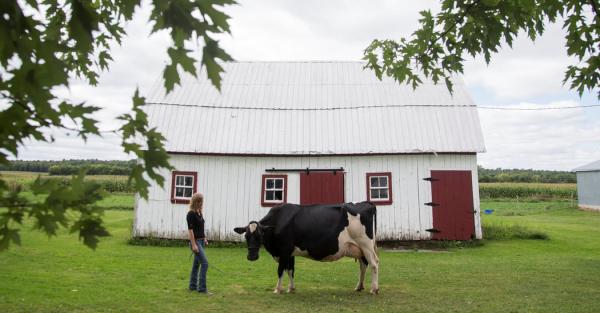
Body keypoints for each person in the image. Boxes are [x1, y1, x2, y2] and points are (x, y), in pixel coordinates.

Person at [187, 192, 211, 294]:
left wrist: (205, 238)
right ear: (195, 202)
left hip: (201, 241)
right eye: (199, 201)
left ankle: (192, 286)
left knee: (196, 264)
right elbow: (190, 230)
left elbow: (201, 228)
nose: (201, 203)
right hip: (196, 242)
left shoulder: (200, 212)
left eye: (202, 201)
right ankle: (202, 289)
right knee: (205, 263)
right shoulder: (191, 214)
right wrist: (193, 244)